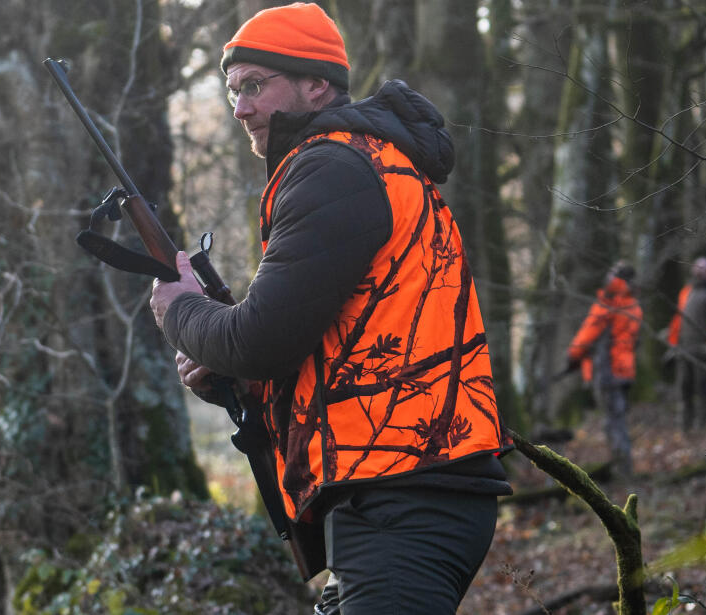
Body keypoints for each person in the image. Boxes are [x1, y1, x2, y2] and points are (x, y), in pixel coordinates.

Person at [146, 3, 510, 612]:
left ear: (317, 83)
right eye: (234, 90)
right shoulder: (359, 162)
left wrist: (180, 310)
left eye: (256, 86)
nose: (240, 108)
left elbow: (260, 339)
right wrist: (231, 379)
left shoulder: (333, 167)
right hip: (396, 489)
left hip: (403, 494)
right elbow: (337, 354)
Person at [567, 264, 641, 477]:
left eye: (611, 274)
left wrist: (572, 357)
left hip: (607, 372)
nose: (606, 277)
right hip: (624, 372)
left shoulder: (609, 303)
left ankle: (622, 468)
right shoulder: (633, 304)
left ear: (617, 279)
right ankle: (624, 465)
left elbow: (588, 333)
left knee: (613, 422)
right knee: (618, 419)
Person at [667, 256, 706, 431]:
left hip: (704, 350)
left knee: (703, 387)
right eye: (697, 267)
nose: (699, 270)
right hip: (684, 349)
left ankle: (704, 424)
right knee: (684, 387)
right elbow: (678, 319)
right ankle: (685, 426)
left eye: (703, 267)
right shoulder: (686, 292)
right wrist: (672, 343)